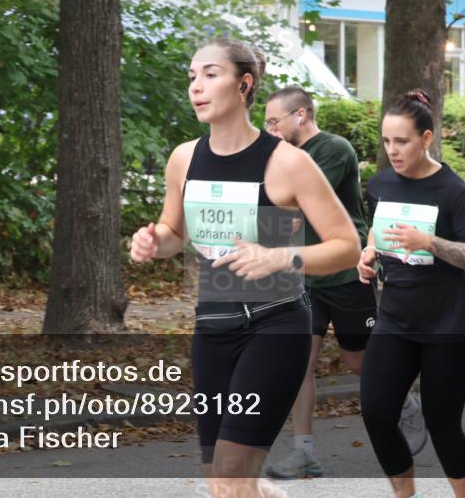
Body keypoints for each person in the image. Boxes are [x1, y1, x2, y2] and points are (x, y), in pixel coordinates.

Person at [130, 39, 360, 498]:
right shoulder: (184, 158)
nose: (197, 86)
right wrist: (153, 242)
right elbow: (174, 234)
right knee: (224, 485)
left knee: (234, 478)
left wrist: (281, 256)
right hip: (213, 326)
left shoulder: (286, 163)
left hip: (275, 325)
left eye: (211, 74)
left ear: (244, 84)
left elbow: (347, 246)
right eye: (192, 76)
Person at [261, 86, 427, 480]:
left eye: (274, 121)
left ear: (300, 115)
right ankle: (305, 453)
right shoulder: (280, 156)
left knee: (357, 360)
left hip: (345, 271)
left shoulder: (333, 149)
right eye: (265, 123)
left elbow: (289, 199)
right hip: (302, 275)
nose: (268, 130)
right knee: (300, 362)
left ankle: (402, 399)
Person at [357, 89, 465, 498]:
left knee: (442, 423)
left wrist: (430, 242)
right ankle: (405, 494)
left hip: (450, 326)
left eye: (402, 141)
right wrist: (368, 253)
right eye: (386, 141)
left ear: (427, 139)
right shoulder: (381, 183)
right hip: (396, 319)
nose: (392, 150)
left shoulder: (451, 191)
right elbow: (379, 230)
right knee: (377, 413)